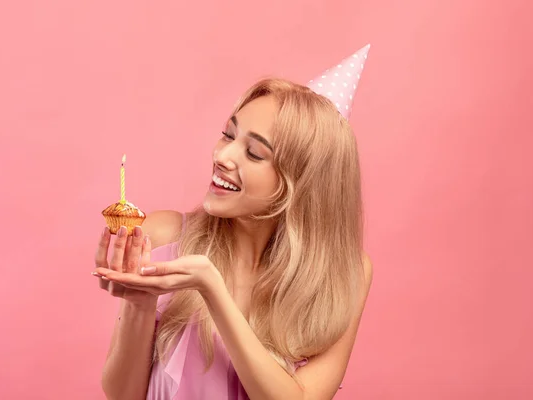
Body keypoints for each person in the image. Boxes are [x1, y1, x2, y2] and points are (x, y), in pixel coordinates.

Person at [93, 78, 374, 400]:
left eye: (254, 153)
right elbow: (122, 395)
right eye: (228, 134)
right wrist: (139, 304)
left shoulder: (345, 272)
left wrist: (213, 290)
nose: (223, 156)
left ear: (302, 182)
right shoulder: (163, 237)